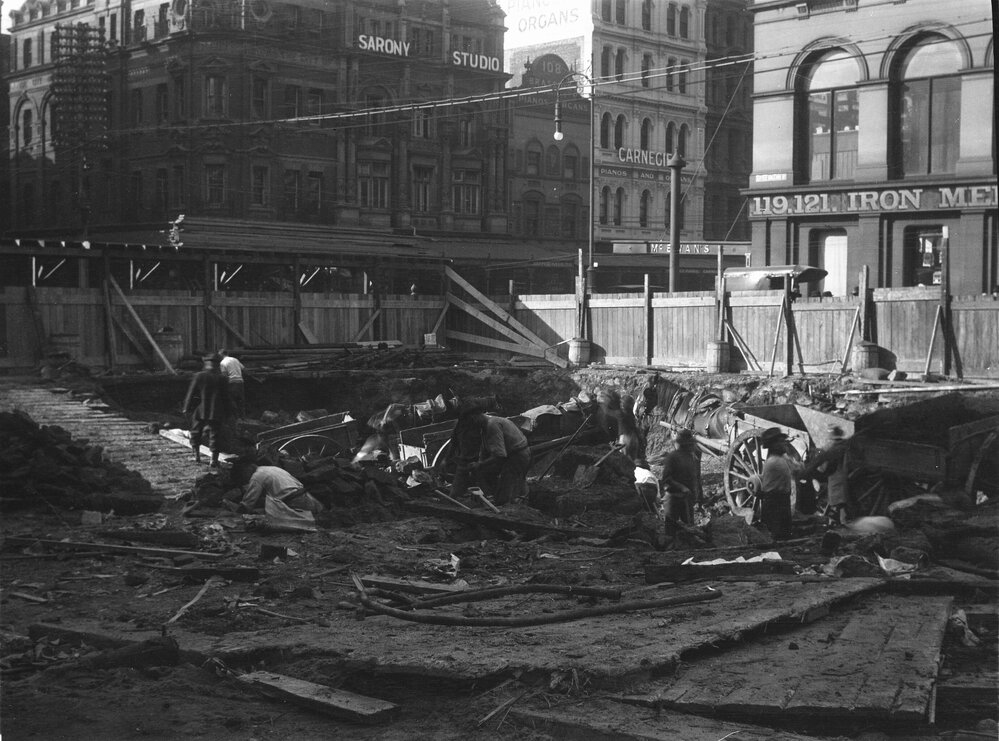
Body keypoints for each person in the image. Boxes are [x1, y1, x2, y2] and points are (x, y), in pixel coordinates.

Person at [466, 412, 531, 505]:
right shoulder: (484, 427)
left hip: (517, 456)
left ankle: (511, 503)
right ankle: (490, 497)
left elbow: (500, 455)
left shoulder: (492, 425)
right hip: (509, 456)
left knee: (504, 498)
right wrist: (479, 465)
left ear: (477, 419)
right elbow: (484, 450)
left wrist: (480, 464)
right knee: (482, 472)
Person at [182, 353, 229, 468]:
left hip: (200, 410)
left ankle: (196, 456)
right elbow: (226, 397)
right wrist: (230, 411)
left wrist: (186, 408)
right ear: (218, 364)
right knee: (215, 435)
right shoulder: (222, 378)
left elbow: (191, 394)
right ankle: (213, 460)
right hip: (216, 411)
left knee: (196, 432)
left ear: (206, 363)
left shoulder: (199, 376)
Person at [758, 427, 802, 540]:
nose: (784, 444)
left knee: (782, 533)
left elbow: (796, 468)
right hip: (775, 502)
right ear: (773, 445)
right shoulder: (774, 462)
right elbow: (797, 470)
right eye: (780, 442)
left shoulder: (779, 459)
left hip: (781, 500)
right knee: (777, 534)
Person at [802, 426, 851, 525]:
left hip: (837, 477)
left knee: (838, 501)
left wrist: (806, 472)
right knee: (840, 500)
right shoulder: (844, 446)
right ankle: (841, 520)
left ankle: (842, 522)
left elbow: (822, 461)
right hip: (842, 476)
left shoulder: (835, 448)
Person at [228, 458, 314, 513]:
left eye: (243, 474)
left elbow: (247, 505)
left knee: (255, 514)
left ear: (247, 468)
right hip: (308, 499)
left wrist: (232, 508)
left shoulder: (257, 476)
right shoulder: (272, 468)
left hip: (295, 504)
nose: (245, 479)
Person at [660, 428, 702, 524]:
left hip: (687, 499)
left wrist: (694, 495)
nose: (692, 446)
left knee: (689, 529)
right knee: (671, 528)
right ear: (684, 445)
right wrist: (682, 487)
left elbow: (694, 478)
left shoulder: (691, 457)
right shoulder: (672, 457)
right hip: (673, 498)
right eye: (690, 445)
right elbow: (666, 479)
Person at [217, 349, 246, 418]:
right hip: (240, 382)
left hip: (231, 383)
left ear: (221, 355)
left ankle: (235, 417)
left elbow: (224, 375)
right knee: (240, 400)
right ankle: (243, 417)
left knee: (232, 400)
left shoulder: (222, 363)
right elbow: (243, 369)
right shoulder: (235, 359)